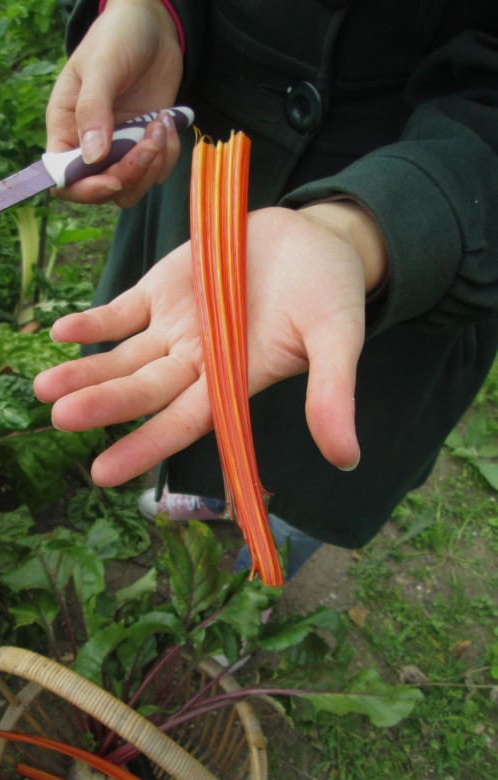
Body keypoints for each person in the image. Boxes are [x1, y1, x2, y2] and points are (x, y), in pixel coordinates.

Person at [34, 0, 498, 580]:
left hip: (424, 221)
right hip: (209, 159)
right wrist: (153, 14)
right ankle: (200, 490)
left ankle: (258, 570)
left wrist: (363, 230)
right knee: (188, 380)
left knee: (320, 446)